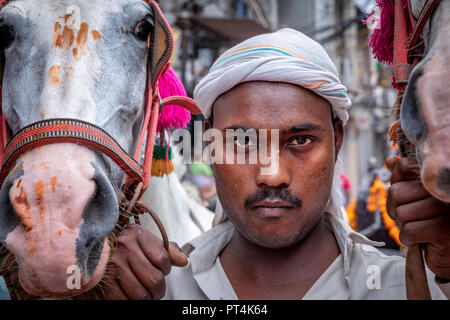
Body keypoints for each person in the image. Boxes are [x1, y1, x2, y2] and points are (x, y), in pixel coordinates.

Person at [103, 29, 450, 300]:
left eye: (299, 141)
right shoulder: (154, 289)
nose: (272, 175)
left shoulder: (412, 287)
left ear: (337, 139)